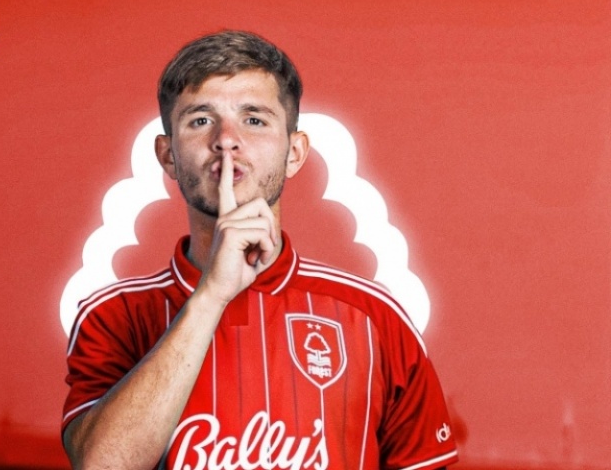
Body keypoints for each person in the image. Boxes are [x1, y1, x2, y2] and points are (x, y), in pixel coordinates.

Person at [62, 30, 459, 470]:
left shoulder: (375, 317)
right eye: (200, 120)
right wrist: (211, 295)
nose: (226, 140)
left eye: (254, 120)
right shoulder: (112, 315)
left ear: (295, 152)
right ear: (168, 156)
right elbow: (102, 465)